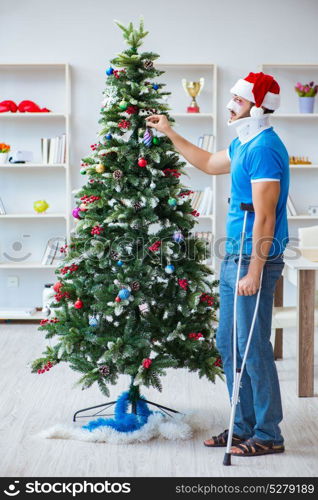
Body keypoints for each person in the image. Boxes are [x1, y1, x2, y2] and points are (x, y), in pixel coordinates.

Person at [145, 71, 289, 457]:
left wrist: (255, 270)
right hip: (234, 255)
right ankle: (241, 427)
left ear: (258, 106)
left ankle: (268, 433)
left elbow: (266, 215)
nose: (230, 105)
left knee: (251, 345)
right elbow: (209, 162)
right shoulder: (245, 141)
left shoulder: (264, 148)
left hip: (253, 255)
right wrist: (170, 133)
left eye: (238, 101)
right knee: (228, 342)